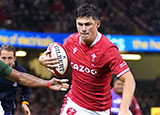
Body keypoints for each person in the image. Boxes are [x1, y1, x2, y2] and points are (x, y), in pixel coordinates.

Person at [39, 3, 135, 115]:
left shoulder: (108, 50)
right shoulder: (71, 42)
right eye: (80, 24)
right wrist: (43, 60)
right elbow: (58, 60)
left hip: (99, 110)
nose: (83, 29)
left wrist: (124, 109)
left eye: (88, 24)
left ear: (98, 24)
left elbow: (129, 80)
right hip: (74, 104)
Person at [0, 44, 31, 115]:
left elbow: (26, 88)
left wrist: (24, 102)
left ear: (14, 58)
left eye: (10, 58)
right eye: (3, 58)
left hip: (8, 109)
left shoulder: (20, 72)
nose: (6, 62)